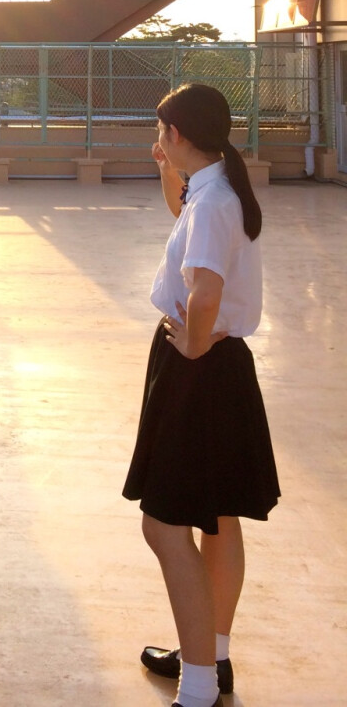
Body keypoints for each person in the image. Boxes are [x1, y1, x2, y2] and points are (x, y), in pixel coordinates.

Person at [123, 84, 280, 707]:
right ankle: (211, 656)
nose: (157, 141)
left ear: (179, 133)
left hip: (199, 366)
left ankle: (197, 687)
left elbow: (205, 292)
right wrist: (170, 173)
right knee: (217, 517)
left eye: (162, 131)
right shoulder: (215, 188)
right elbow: (187, 226)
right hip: (224, 367)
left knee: (163, 526)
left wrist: (186, 348)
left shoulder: (214, 201)